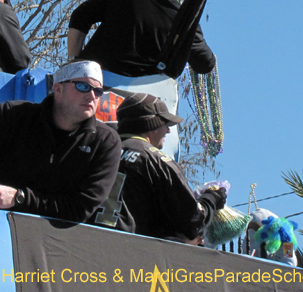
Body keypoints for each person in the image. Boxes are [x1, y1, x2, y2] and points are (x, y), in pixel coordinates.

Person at [0, 60, 121, 224]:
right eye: (83, 87)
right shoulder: (13, 117)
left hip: (57, 247)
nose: (92, 96)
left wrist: (19, 198)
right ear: (58, 89)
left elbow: (79, 209)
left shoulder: (106, 142)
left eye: (98, 91)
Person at [91, 93, 225, 242]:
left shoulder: (94, 151)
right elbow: (192, 222)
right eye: (165, 124)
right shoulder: (157, 161)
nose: (168, 130)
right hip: (128, 252)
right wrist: (212, 198)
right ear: (152, 124)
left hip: (83, 245)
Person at [67, 0, 215, 77]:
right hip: (142, 97)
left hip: (95, 80)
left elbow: (80, 15)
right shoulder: (184, 21)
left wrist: (75, 63)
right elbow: (205, 64)